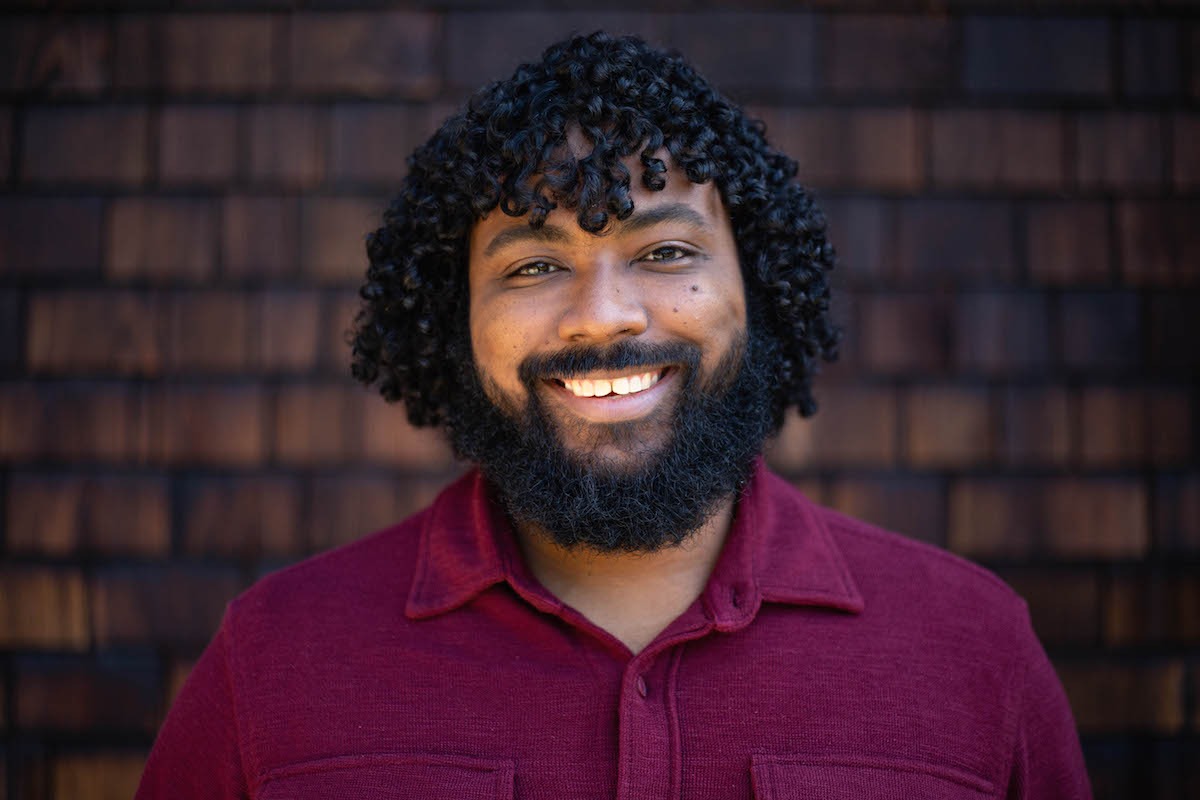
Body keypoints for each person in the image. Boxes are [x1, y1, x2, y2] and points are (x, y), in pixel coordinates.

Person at [137, 32, 1091, 799]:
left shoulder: (972, 647)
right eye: (535, 266)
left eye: (667, 252)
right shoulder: (274, 661)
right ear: (453, 323)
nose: (604, 315)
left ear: (756, 287)